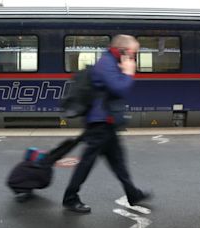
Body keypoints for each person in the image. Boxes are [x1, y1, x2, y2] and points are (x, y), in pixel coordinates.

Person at [62, 34, 151, 213]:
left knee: (118, 162)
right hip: (100, 123)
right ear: (122, 50)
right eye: (133, 53)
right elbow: (120, 88)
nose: (134, 57)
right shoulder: (106, 63)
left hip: (106, 122)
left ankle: (132, 193)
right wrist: (128, 72)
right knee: (87, 163)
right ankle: (70, 198)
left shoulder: (110, 61)